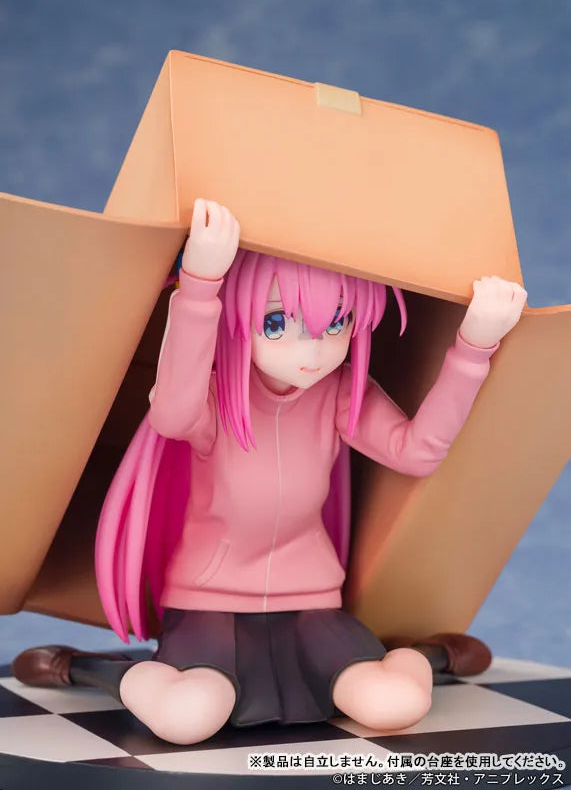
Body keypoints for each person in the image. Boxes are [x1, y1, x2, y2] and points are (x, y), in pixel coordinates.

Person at [12, 199, 526, 745]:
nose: (313, 351)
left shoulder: (339, 393)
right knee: (186, 718)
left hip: (311, 601)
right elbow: (171, 414)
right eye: (278, 322)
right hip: (207, 601)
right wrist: (200, 285)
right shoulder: (214, 395)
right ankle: (93, 671)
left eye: (338, 323)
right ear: (240, 319)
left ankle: (425, 657)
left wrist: (474, 347)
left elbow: (417, 451)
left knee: (394, 704)